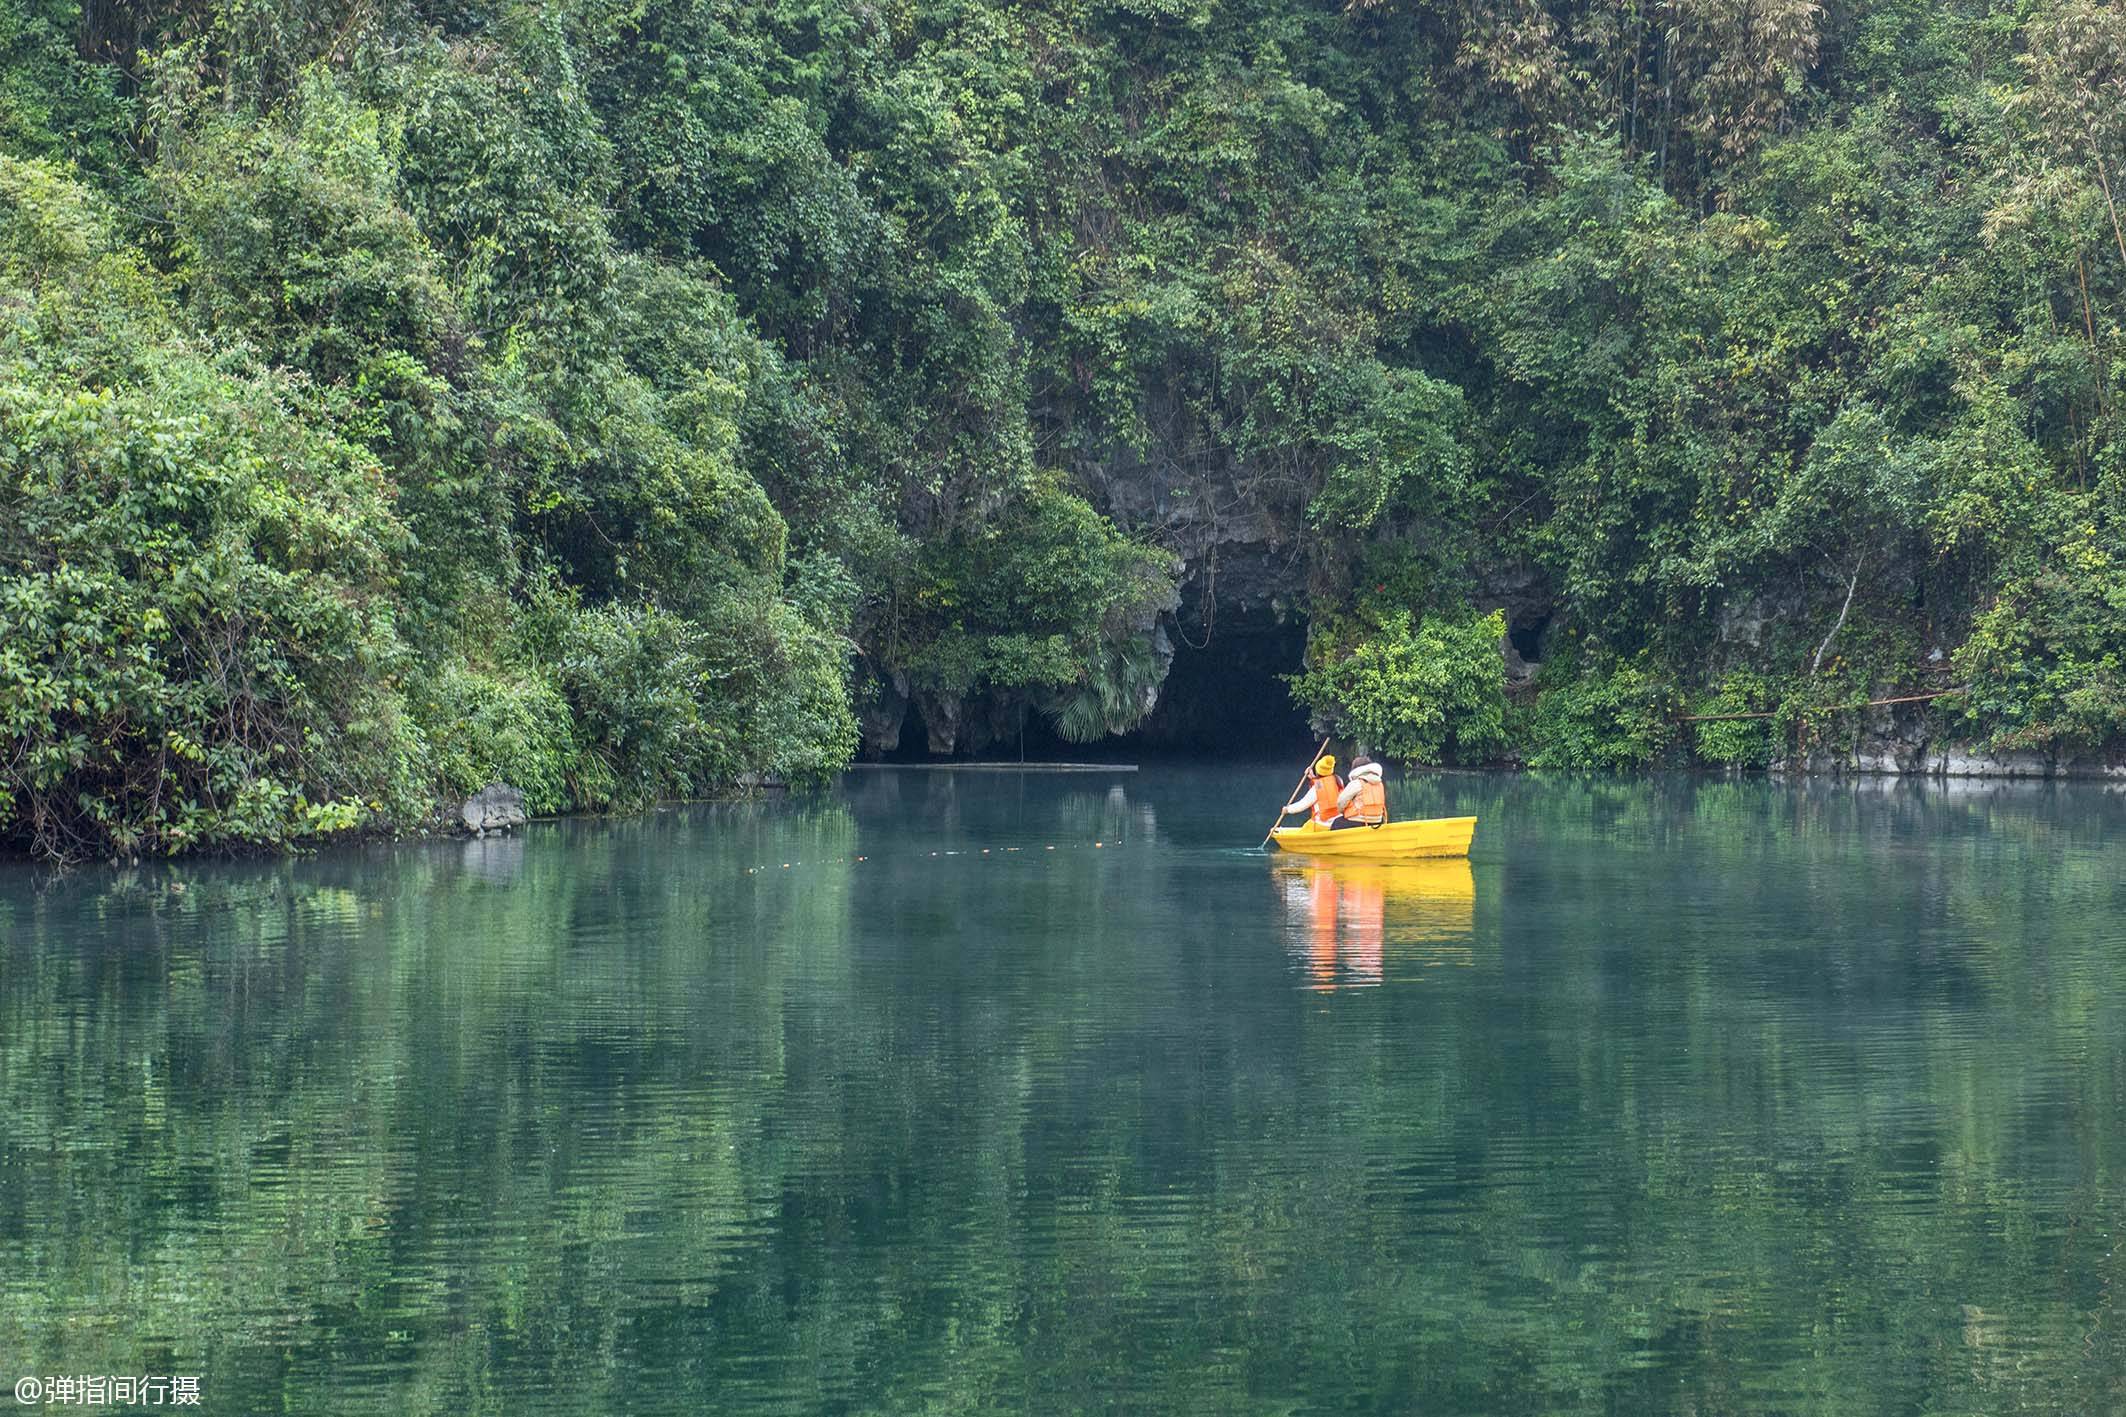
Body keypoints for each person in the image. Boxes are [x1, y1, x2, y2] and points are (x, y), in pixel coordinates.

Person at [1280, 755, 1343, 826]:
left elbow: (1303, 804)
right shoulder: (1338, 780)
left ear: (1318, 771)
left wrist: (1288, 809)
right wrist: (1312, 777)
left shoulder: (1316, 789)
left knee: (1307, 825)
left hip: (1323, 823)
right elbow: (1323, 784)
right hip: (1338, 820)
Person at [1331, 755, 1387, 829]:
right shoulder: (1379, 783)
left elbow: (1341, 802)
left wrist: (1342, 812)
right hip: (1378, 821)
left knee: (1336, 822)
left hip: (1359, 821)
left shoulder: (1356, 783)